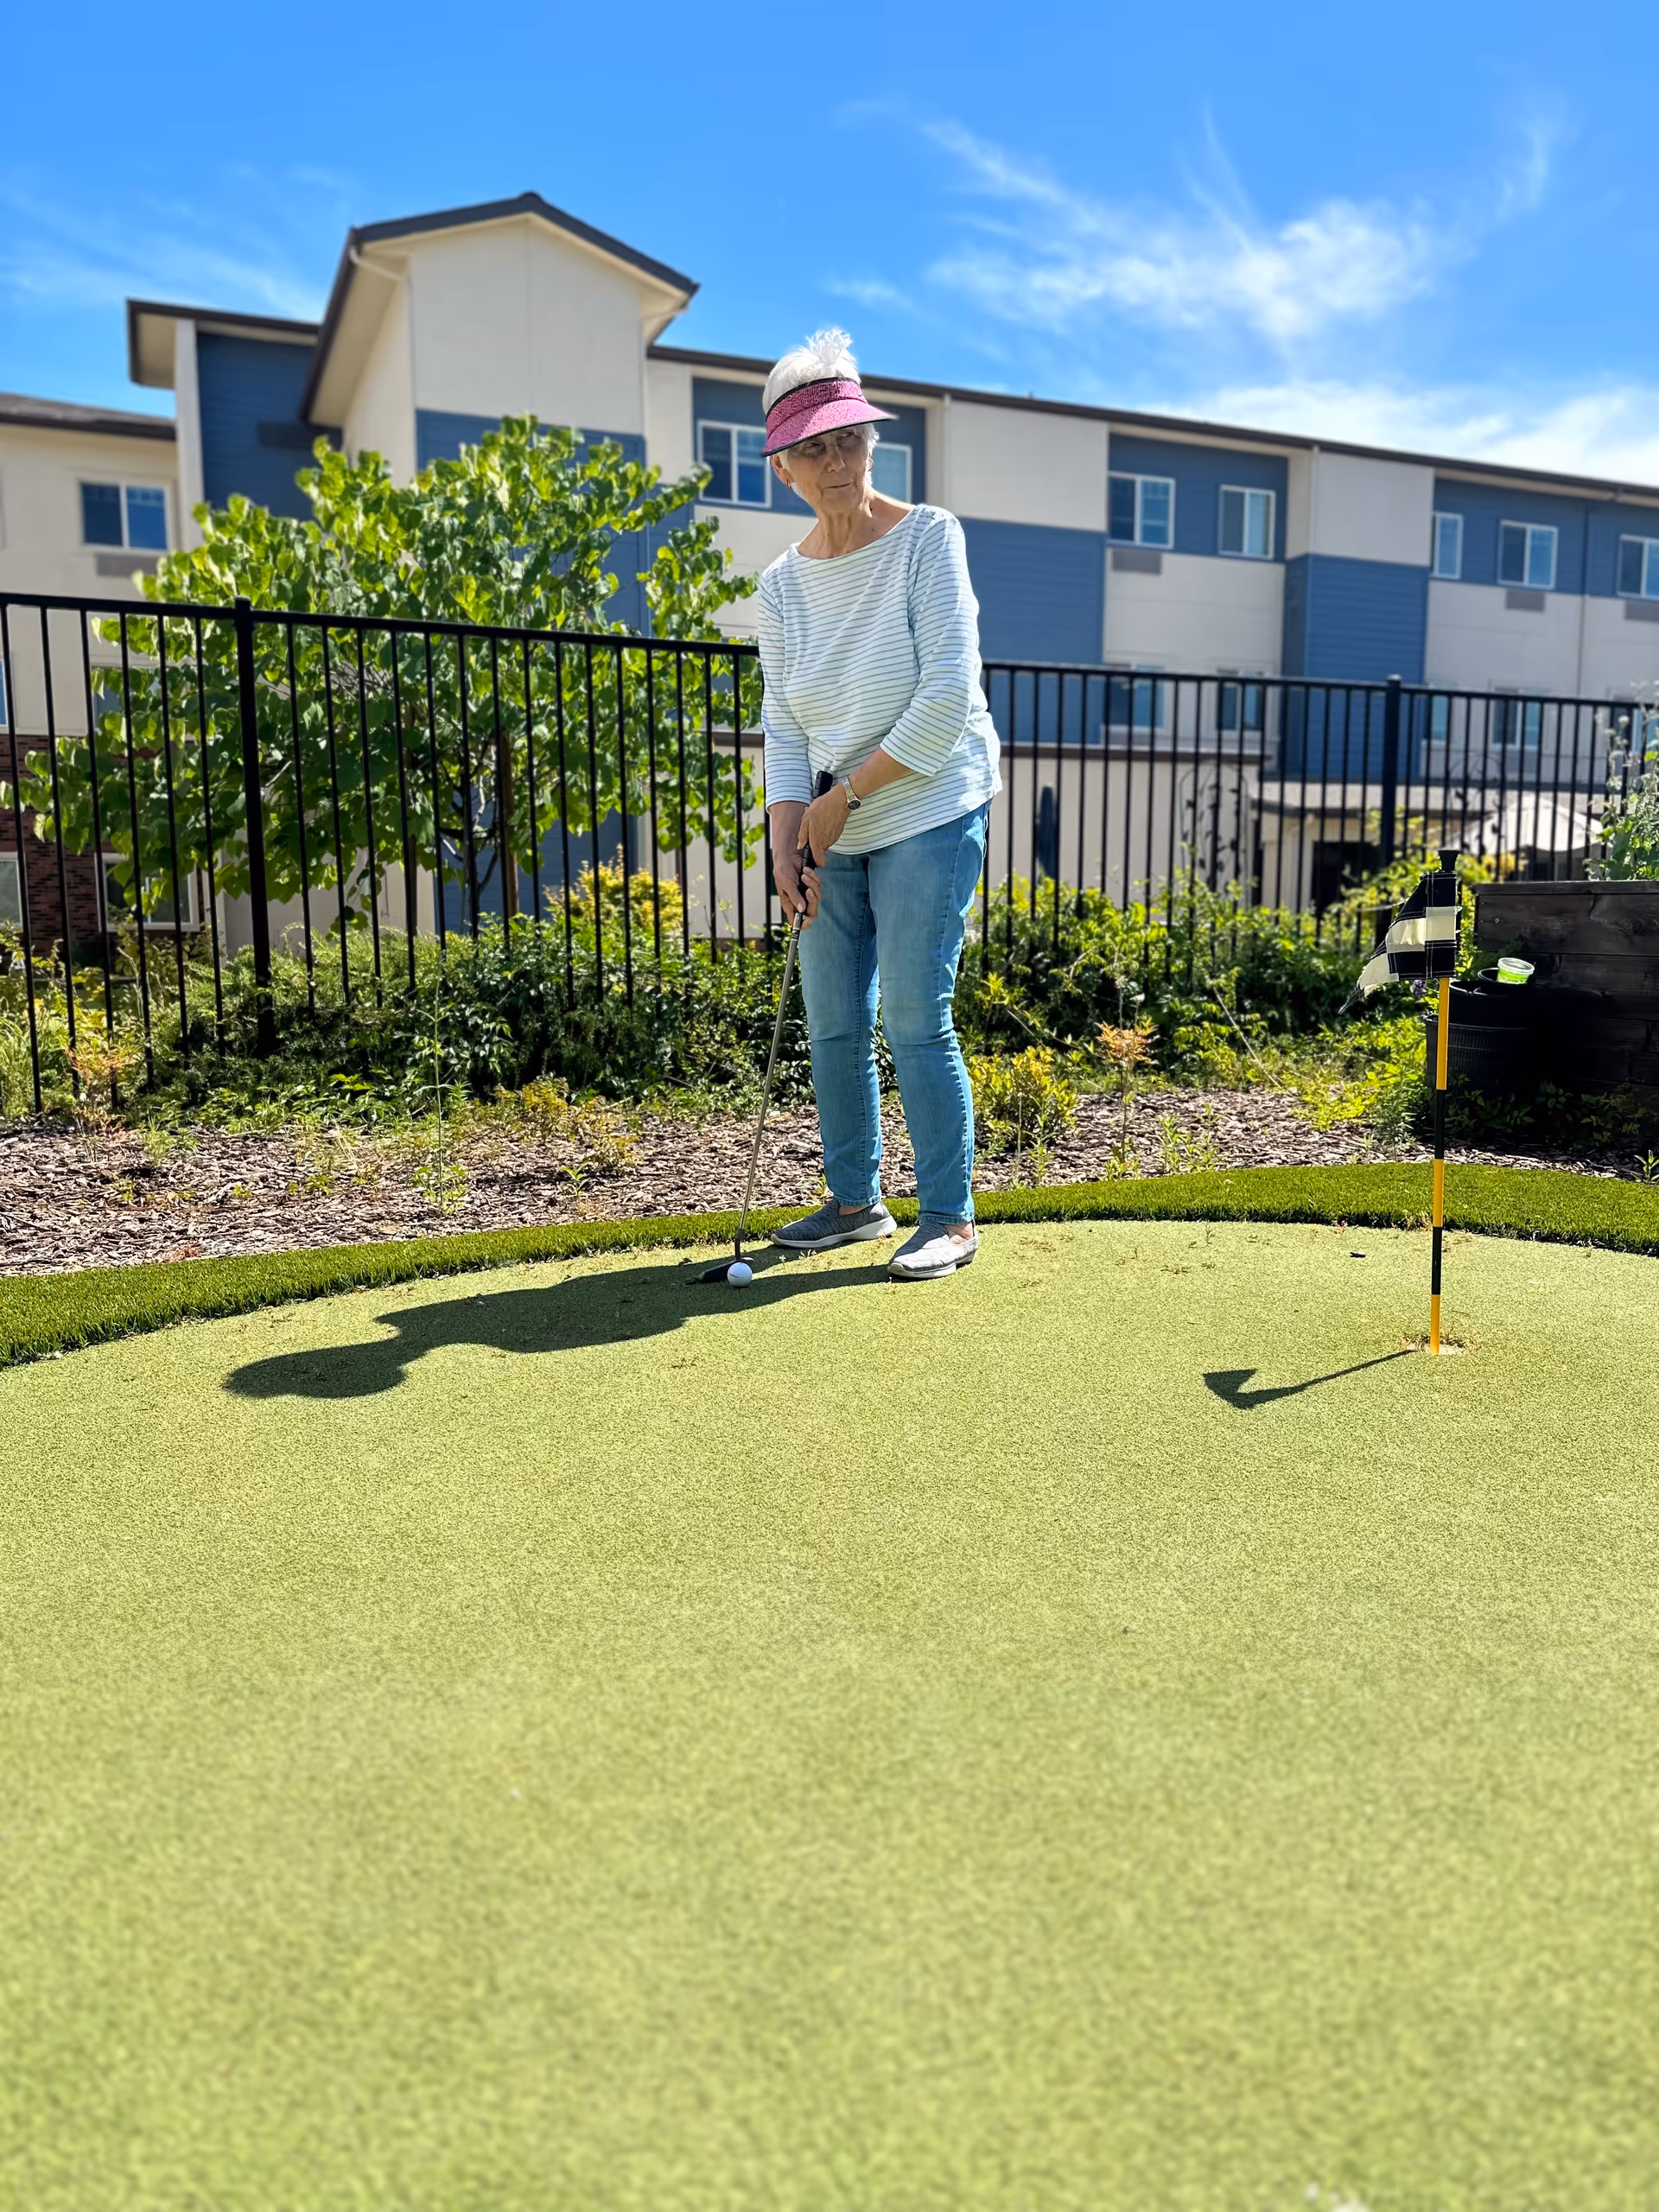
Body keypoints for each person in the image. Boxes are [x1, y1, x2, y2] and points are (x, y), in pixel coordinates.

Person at [756, 329, 1002, 1281]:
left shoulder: (928, 541)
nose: (836, 461)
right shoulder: (780, 589)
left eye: (849, 439)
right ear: (783, 466)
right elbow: (784, 724)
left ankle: (949, 1214)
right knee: (831, 1017)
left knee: (912, 1012)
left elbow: (947, 699)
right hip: (831, 825)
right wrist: (788, 839)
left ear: (871, 443)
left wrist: (842, 797)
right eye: (813, 447)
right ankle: (855, 1202)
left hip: (930, 803)